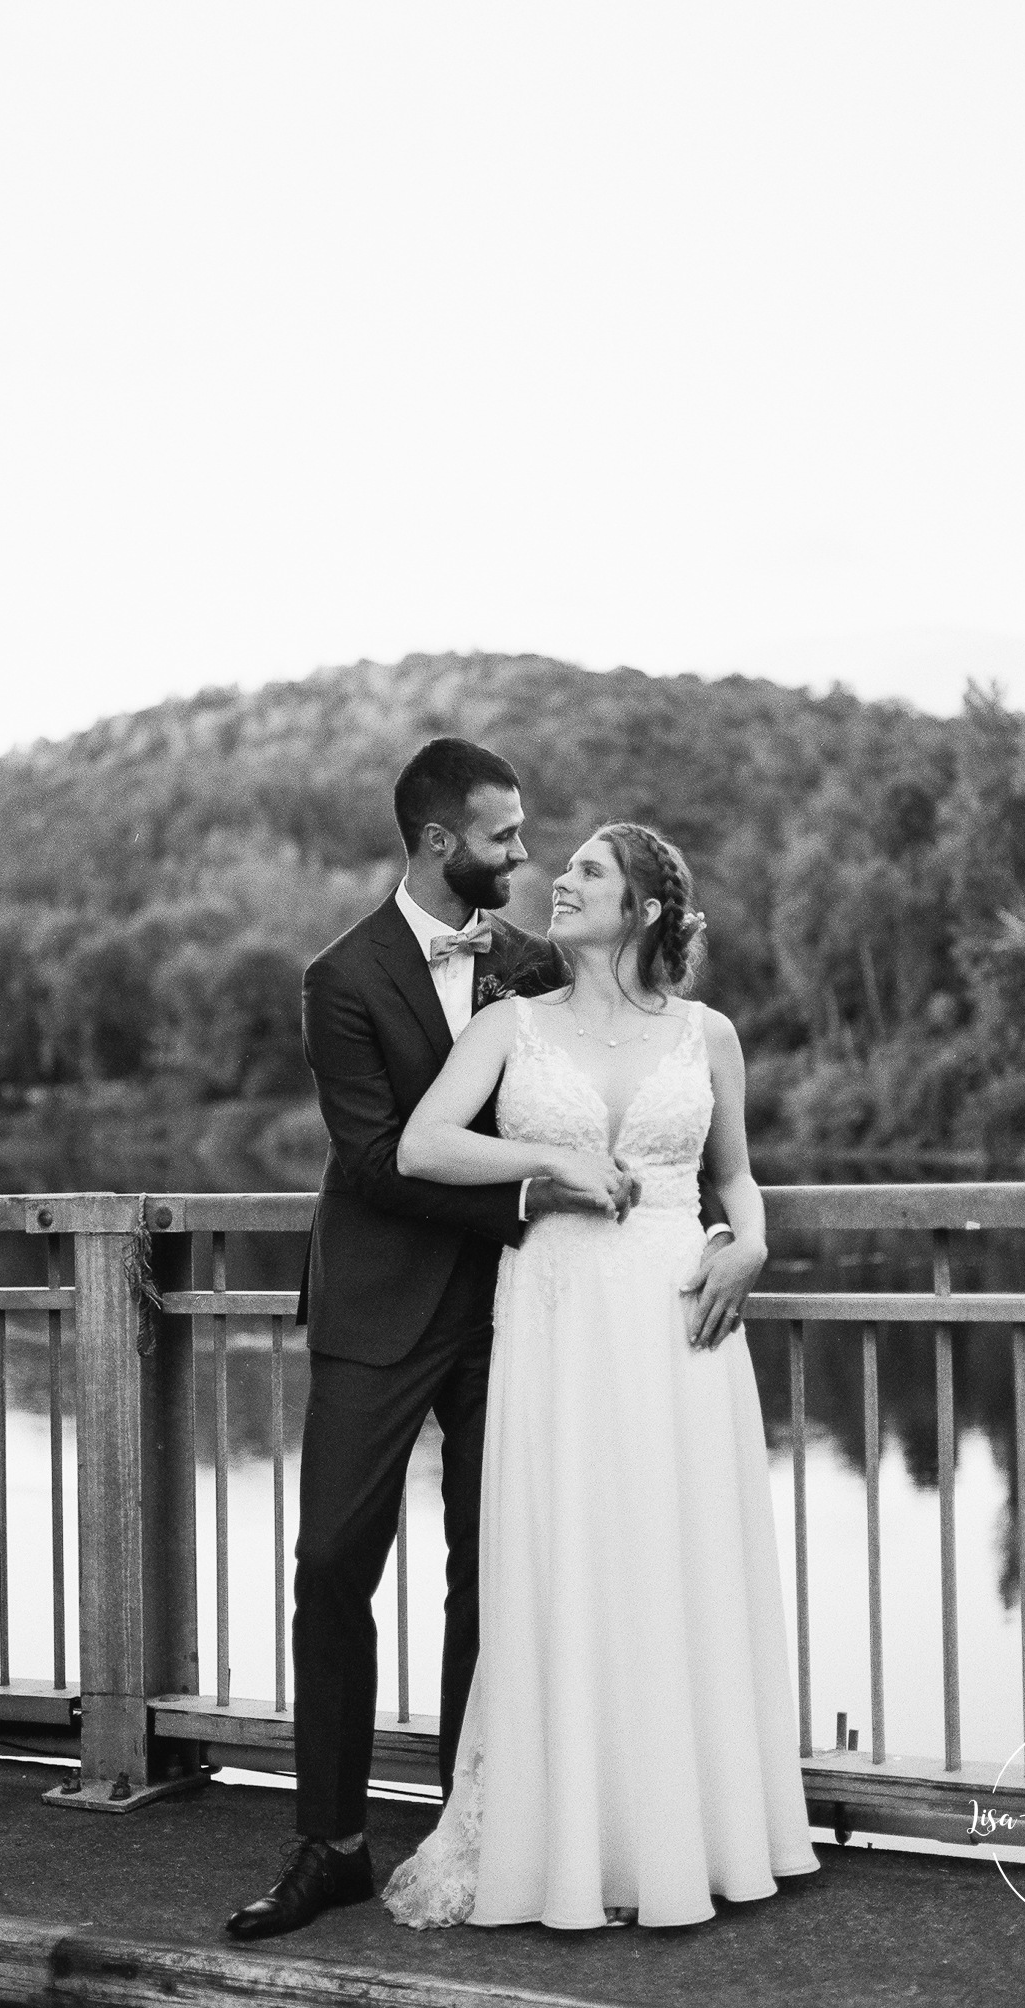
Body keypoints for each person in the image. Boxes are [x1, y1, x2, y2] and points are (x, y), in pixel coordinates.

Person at [224, 745, 734, 1941]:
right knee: (332, 1564)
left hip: (518, 1315)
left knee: (495, 1573)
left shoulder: (531, 964)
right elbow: (371, 1155)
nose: (525, 855)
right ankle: (331, 1842)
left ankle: (483, 1820)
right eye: (505, 837)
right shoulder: (339, 976)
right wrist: (533, 1194)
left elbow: (627, 1085)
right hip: (382, 1304)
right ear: (442, 840)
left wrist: (703, 1222)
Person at [382, 823, 819, 1930]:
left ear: (642, 908)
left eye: (585, 871)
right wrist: (547, 1158)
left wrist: (753, 1243)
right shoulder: (505, 1025)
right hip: (561, 1314)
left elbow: (738, 1176)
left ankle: (693, 1832)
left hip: (682, 1323)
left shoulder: (709, 1033)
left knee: (676, 1559)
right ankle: (565, 1841)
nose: (556, 881)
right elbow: (422, 1145)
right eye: (561, 866)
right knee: (569, 1557)